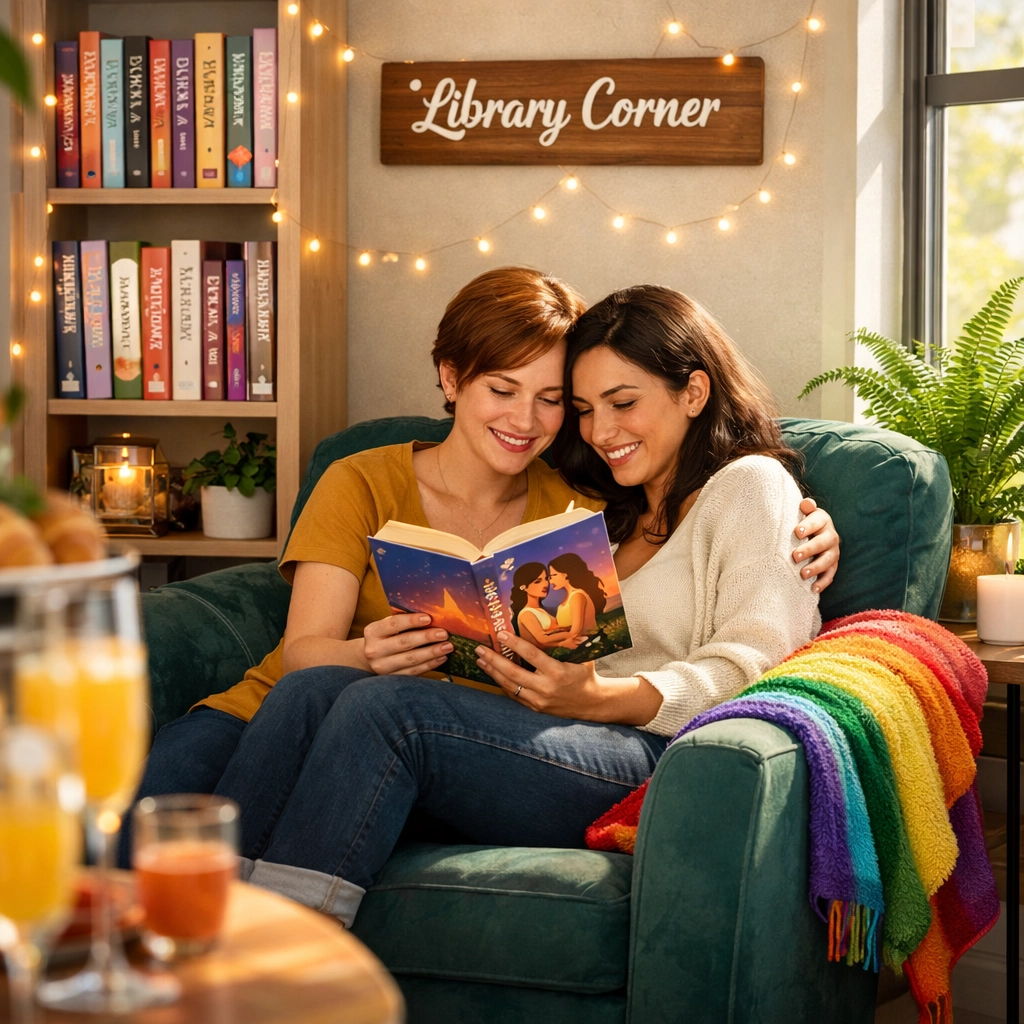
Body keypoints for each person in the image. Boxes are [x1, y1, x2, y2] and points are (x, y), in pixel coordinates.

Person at [192, 282, 835, 927]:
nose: (601, 431)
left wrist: (600, 697)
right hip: (555, 734)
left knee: (387, 710)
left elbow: (760, 668)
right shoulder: (610, 511)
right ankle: (208, 919)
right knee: (311, 689)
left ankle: (285, 943)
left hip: (650, 752)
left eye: (622, 403)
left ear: (693, 393)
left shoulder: (751, 486)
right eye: (582, 409)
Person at [510, 562, 581, 650]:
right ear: (523, 587)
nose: (545, 584)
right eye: (538, 581)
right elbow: (543, 639)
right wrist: (567, 636)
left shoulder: (539, 610)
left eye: (546, 579)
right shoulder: (526, 613)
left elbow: (554, 630)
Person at [547, 552, 606, 643]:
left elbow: (575, 633)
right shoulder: (569, 597)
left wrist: (546, 641)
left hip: (588, 643)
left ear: (565, 574)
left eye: (553, 575)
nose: (550, 581)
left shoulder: (577, 596)